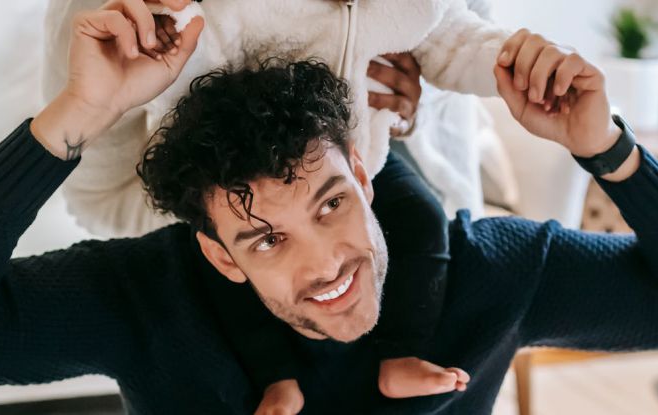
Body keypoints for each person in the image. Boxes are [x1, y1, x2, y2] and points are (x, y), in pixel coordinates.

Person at [0, 4, 658, 415]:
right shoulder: (154, 295)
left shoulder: (481, 273)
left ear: (360, 168)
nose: (324, 266)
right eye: (262, 238)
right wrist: (73, 114)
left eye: (329, 205)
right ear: (217, 250)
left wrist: (608, 150)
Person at [43, 0, 506, 410]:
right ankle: (277, 379)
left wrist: (414, 103)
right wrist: (162, 32)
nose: (323, 263)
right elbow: (110, 194)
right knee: (223, 267)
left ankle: (402, 352)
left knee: (420, 214)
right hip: (223, 180)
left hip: (350, 151)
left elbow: (453, 36)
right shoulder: (150, 16)